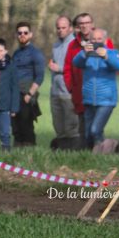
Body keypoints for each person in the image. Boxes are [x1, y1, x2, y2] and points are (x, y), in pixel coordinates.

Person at [64, 13, 114, 148]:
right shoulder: (73, 45)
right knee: (84, 129)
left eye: (87, 22)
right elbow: (68, 68)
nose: (84, 26)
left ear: (92, 24)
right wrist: (71, 88)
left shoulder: (104, 41)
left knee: (96, 128)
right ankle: (86, 156)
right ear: (78, 26)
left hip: (100, 92)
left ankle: (101, 152)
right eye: (81, 23)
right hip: (80, 93)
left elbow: (114, 64)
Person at [72, 28, 119, 150]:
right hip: (89, 99)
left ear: (105, 40)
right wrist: (84, 53)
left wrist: (106, 56)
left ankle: (109, 146)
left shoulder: (112, 53)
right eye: (93, 39)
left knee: (95, 130)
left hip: (106, 100)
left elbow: (118, 66)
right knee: (89, 133)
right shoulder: (86, 54)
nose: (96, 41)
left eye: (99, 39)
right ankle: (98, 154)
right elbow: (75, 62)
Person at [11, 22, 45, 147]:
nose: (22, 35)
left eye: (25, 33)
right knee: (15, 126)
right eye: (19, 33)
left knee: (26, 127)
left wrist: (30, 94)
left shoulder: (36, 53)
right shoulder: (16, 53)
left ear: (30, 35)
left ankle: (30, 157)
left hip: (27, 94)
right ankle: (16, 159)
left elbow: (40, 76)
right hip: (15, 94)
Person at [48, 15, 79, 149]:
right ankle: (62, 155)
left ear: (70, 28)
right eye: (58, 28)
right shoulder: (55, 45)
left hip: (68, 92)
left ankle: (74, 155)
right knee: (58, 126)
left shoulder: (75, 44)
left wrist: (58, 68)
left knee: (71, 126)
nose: (60, 30)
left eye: (63, 27)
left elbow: (76, 68)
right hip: (55, 91)